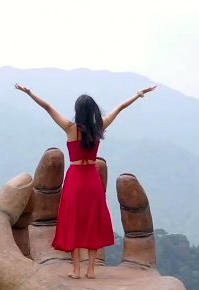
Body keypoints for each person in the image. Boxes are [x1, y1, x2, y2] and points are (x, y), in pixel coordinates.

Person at [15, 83, 157, 278]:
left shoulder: (70, 128)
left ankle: (76, 270)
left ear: (77, 111)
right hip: (92, 179)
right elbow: (120, 108)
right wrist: (137, 94)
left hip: (74, 180)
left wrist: (29, 93)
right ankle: (91, 269)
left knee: (73, 222)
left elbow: (47, 107)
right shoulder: (98, 128)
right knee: (92, 222)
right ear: (92, 111)